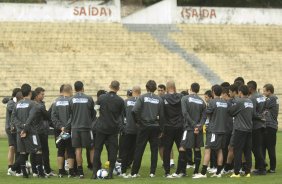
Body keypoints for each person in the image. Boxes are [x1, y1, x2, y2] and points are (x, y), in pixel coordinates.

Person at [126, 80, 165, 178]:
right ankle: (152, 172)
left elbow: (134, 111)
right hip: (155, 127)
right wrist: (161, 129)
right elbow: (162, 116)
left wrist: (138, 122)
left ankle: (134, 172)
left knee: (139, 149)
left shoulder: (142, 97)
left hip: (144, 127)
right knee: (154, 150)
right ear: (155, 88)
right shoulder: (159, 99)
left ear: (146, 87)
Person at [8, 84, 46, 178]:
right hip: (31, 131)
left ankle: (24, 174)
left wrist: (21, 127)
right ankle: (40, 173)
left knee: (22, 152)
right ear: (30, 92)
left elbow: (13, 118)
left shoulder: (17, 104)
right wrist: (25, 128)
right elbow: (30, 118)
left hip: (19, 132)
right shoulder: (33, 104)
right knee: (38, 150)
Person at [193, 85, 228, 178]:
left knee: (208, 149)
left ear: (213, 92)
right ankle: (219, 172)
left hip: (213, 130)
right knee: (220, 150)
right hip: (223, 130)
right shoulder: (225, 102)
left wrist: (199, 124)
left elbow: (206, 113)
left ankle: (203, 173)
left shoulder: (212, 102)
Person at [92, 81, 125, 179]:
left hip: (101, 128)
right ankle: (110, 173)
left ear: (109, 86)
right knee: (113, 151)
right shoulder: (120, 100)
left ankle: (94, 173)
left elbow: (96, 109)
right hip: (113, 129)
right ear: (118, 88)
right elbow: (121, 115)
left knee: (97, 150)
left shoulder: (101, 97)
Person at [66, 81, 95, 178]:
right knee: (91, 148)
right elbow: (92, 113)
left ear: (74, 89)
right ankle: (94, 169)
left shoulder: (71, 99)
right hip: (86, 127)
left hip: (75, 128)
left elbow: (70, 114)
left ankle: (80, 171)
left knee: (78, 150)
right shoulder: (89, 98)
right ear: (83, 88)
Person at [177, 83, 206, 177]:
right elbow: (204, 116)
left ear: (190, 89)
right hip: (199, 129)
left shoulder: (185, 99)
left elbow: (185, 113)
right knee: (197, 148)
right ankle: (196, 171)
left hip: (189, 128)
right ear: (198, 90)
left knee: (183, 147)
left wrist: (193, 125)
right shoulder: (202, 101)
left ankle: (183, 171)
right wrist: (199, 126)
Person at [228, 85, 253, 178]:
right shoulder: (250, 102)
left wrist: (230, 102)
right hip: (249, 129)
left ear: (240, 92)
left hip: (240, 129)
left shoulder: (239, 101)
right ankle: (248, 172)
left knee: (237, 150)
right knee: (247, 151)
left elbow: (230, 112)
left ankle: (236, 172)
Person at [161, 81, 184, 178]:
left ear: (166, 88)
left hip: (168, 127)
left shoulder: (163, 98)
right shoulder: (181, 97)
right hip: (179, 126)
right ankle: (182, 170)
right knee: (181, 149)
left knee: (167, 149)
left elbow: (161, 113)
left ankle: (167, 172)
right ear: (174, 87)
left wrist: (161, 128)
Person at [51, 84, 76, 178]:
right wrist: (66, 127)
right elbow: (72, 116)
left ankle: (61, 171)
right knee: (70, 150)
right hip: (69, 129)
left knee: (60, 151)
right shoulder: (71, 101)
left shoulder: (55, 101)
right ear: (69, 90)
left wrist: (60, 127)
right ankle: (71, 171)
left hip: (58, 130)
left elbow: (53, 117)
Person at [33, 87, 55, 177]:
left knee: (35, 151)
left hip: (34, 131)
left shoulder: (33, 104)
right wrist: (52, 107)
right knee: (45, 151)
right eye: (42, 94)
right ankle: (47, 170)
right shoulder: (40, 106)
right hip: (41, 131)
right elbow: (47, 116)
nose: (43, 96)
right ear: (37, 95)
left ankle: (35, 171)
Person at [120, 86, 141, 176]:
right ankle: (135, 172)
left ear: (132, 92)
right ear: (140, 92)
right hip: (139, 130)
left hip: (128, 129)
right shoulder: (141, 101)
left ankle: (123, 171)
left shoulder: (126, 101)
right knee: (137, 151)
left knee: (125, 150)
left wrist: (123, 127)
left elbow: (122, 116)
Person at [247, 81, 266, 175]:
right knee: (258, 147)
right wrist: (263, 116)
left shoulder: (253, 98)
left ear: (250, 88)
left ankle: (262, 168)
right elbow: (266, 109)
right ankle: (261, 165)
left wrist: (259, 116)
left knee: (255, 147)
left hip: (255, 126)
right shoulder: (262, 96)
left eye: (247, 87)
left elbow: (253, 113)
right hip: (263, 125)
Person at [262, 84, 279, 173]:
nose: (263, 93)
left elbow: (263, 105)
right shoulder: (272, 98)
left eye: (264, 91)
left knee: (270, 147)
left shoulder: (272, 98)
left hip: (270, 126)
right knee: (264, 146)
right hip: (268, 126)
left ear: (269, 91)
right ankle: (264, 165)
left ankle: (272, 168)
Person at [5, 88, 21, 175]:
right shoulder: (11, 103)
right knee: (12, 148)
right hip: (10, 128)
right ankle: (11, 168)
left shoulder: (12, 102)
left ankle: (15, 167)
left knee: (14, 148)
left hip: (14, 128)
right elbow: (16, 110)